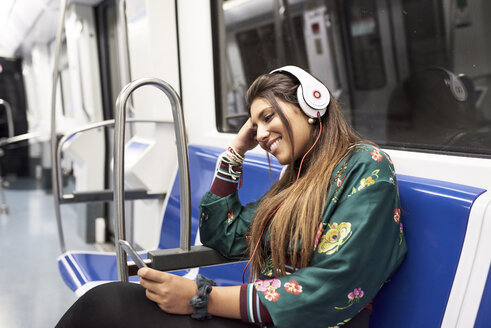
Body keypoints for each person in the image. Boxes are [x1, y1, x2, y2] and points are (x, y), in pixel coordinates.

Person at [56, 66, 407, 328]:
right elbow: (222, 234)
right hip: (263, 321)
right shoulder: (298, 180)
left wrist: (200, 297)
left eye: (268, 116)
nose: (262, 134)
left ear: (313, 104)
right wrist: (236, 151)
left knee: (110, 308)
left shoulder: (366, 166)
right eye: (255, 126)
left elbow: (335, 283)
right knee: (107, 303)